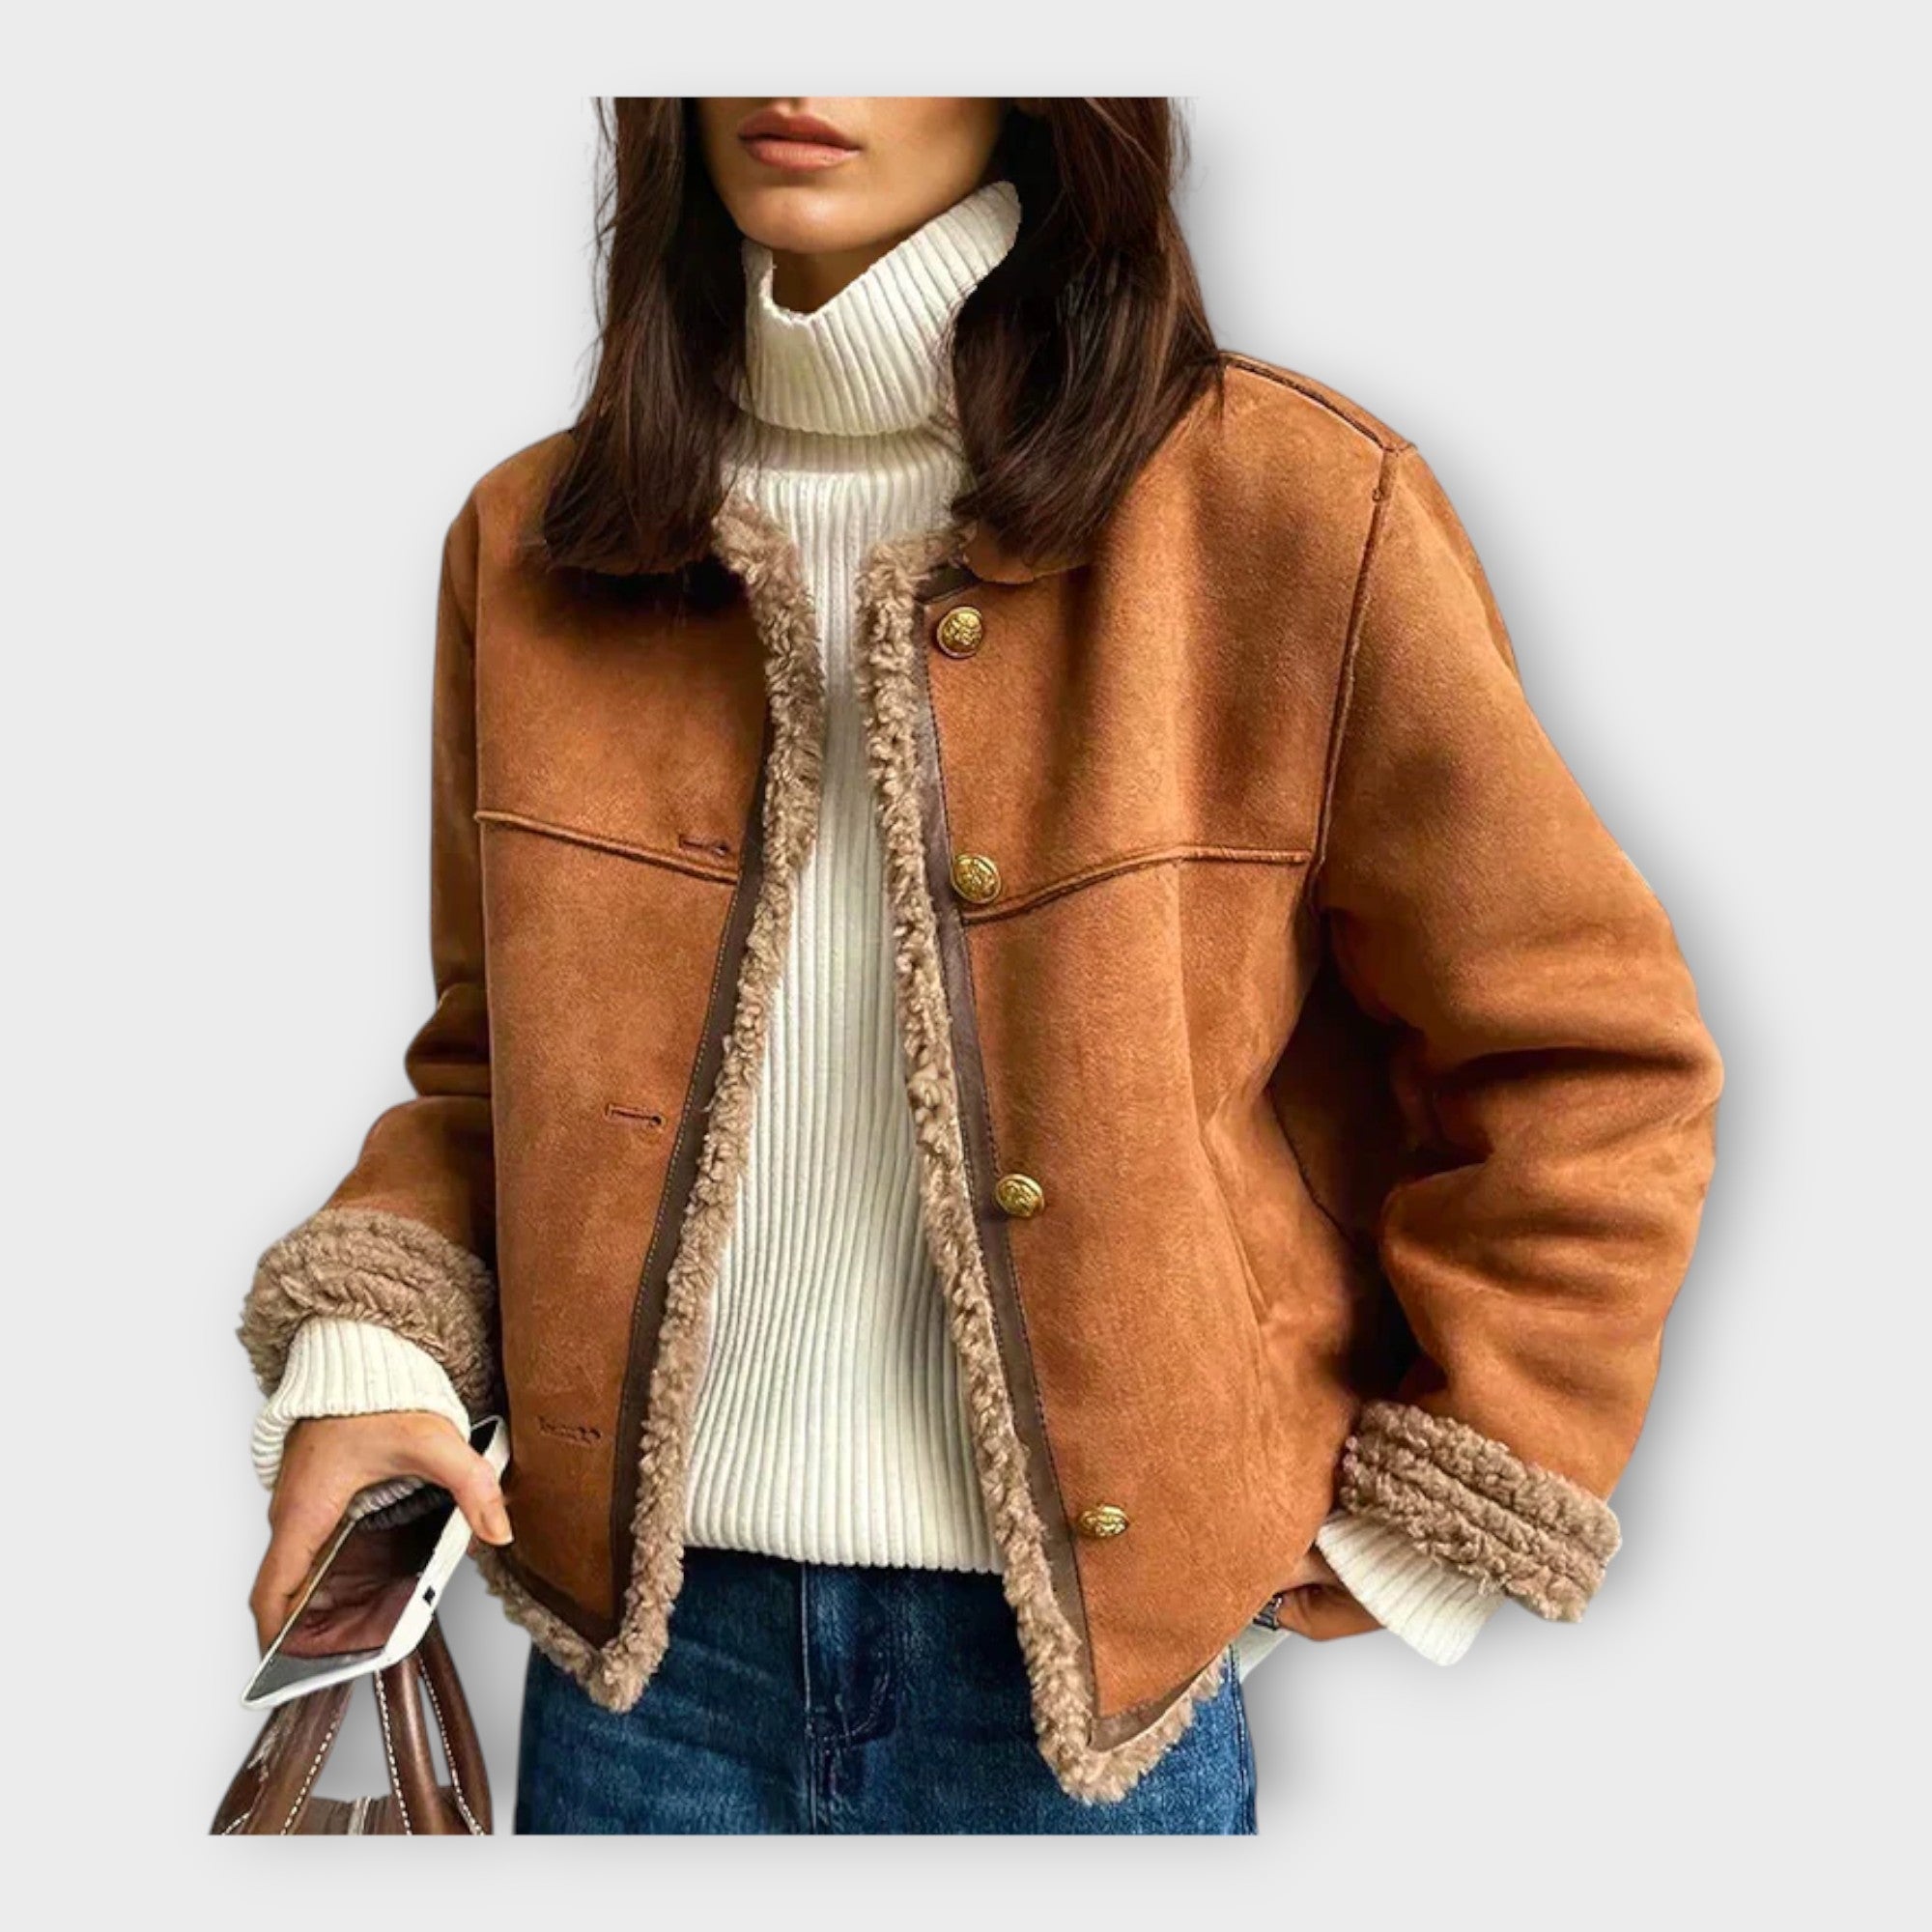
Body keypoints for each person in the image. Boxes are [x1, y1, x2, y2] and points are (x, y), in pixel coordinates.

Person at [237, 98, 1724, 1834]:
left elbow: (1585, 1055)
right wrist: (373, 1357)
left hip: (1078, 1711)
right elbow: (497, 1069)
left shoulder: (1292, 507)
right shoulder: (539, 537)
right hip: (641, 1689)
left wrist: (1442, 1509)